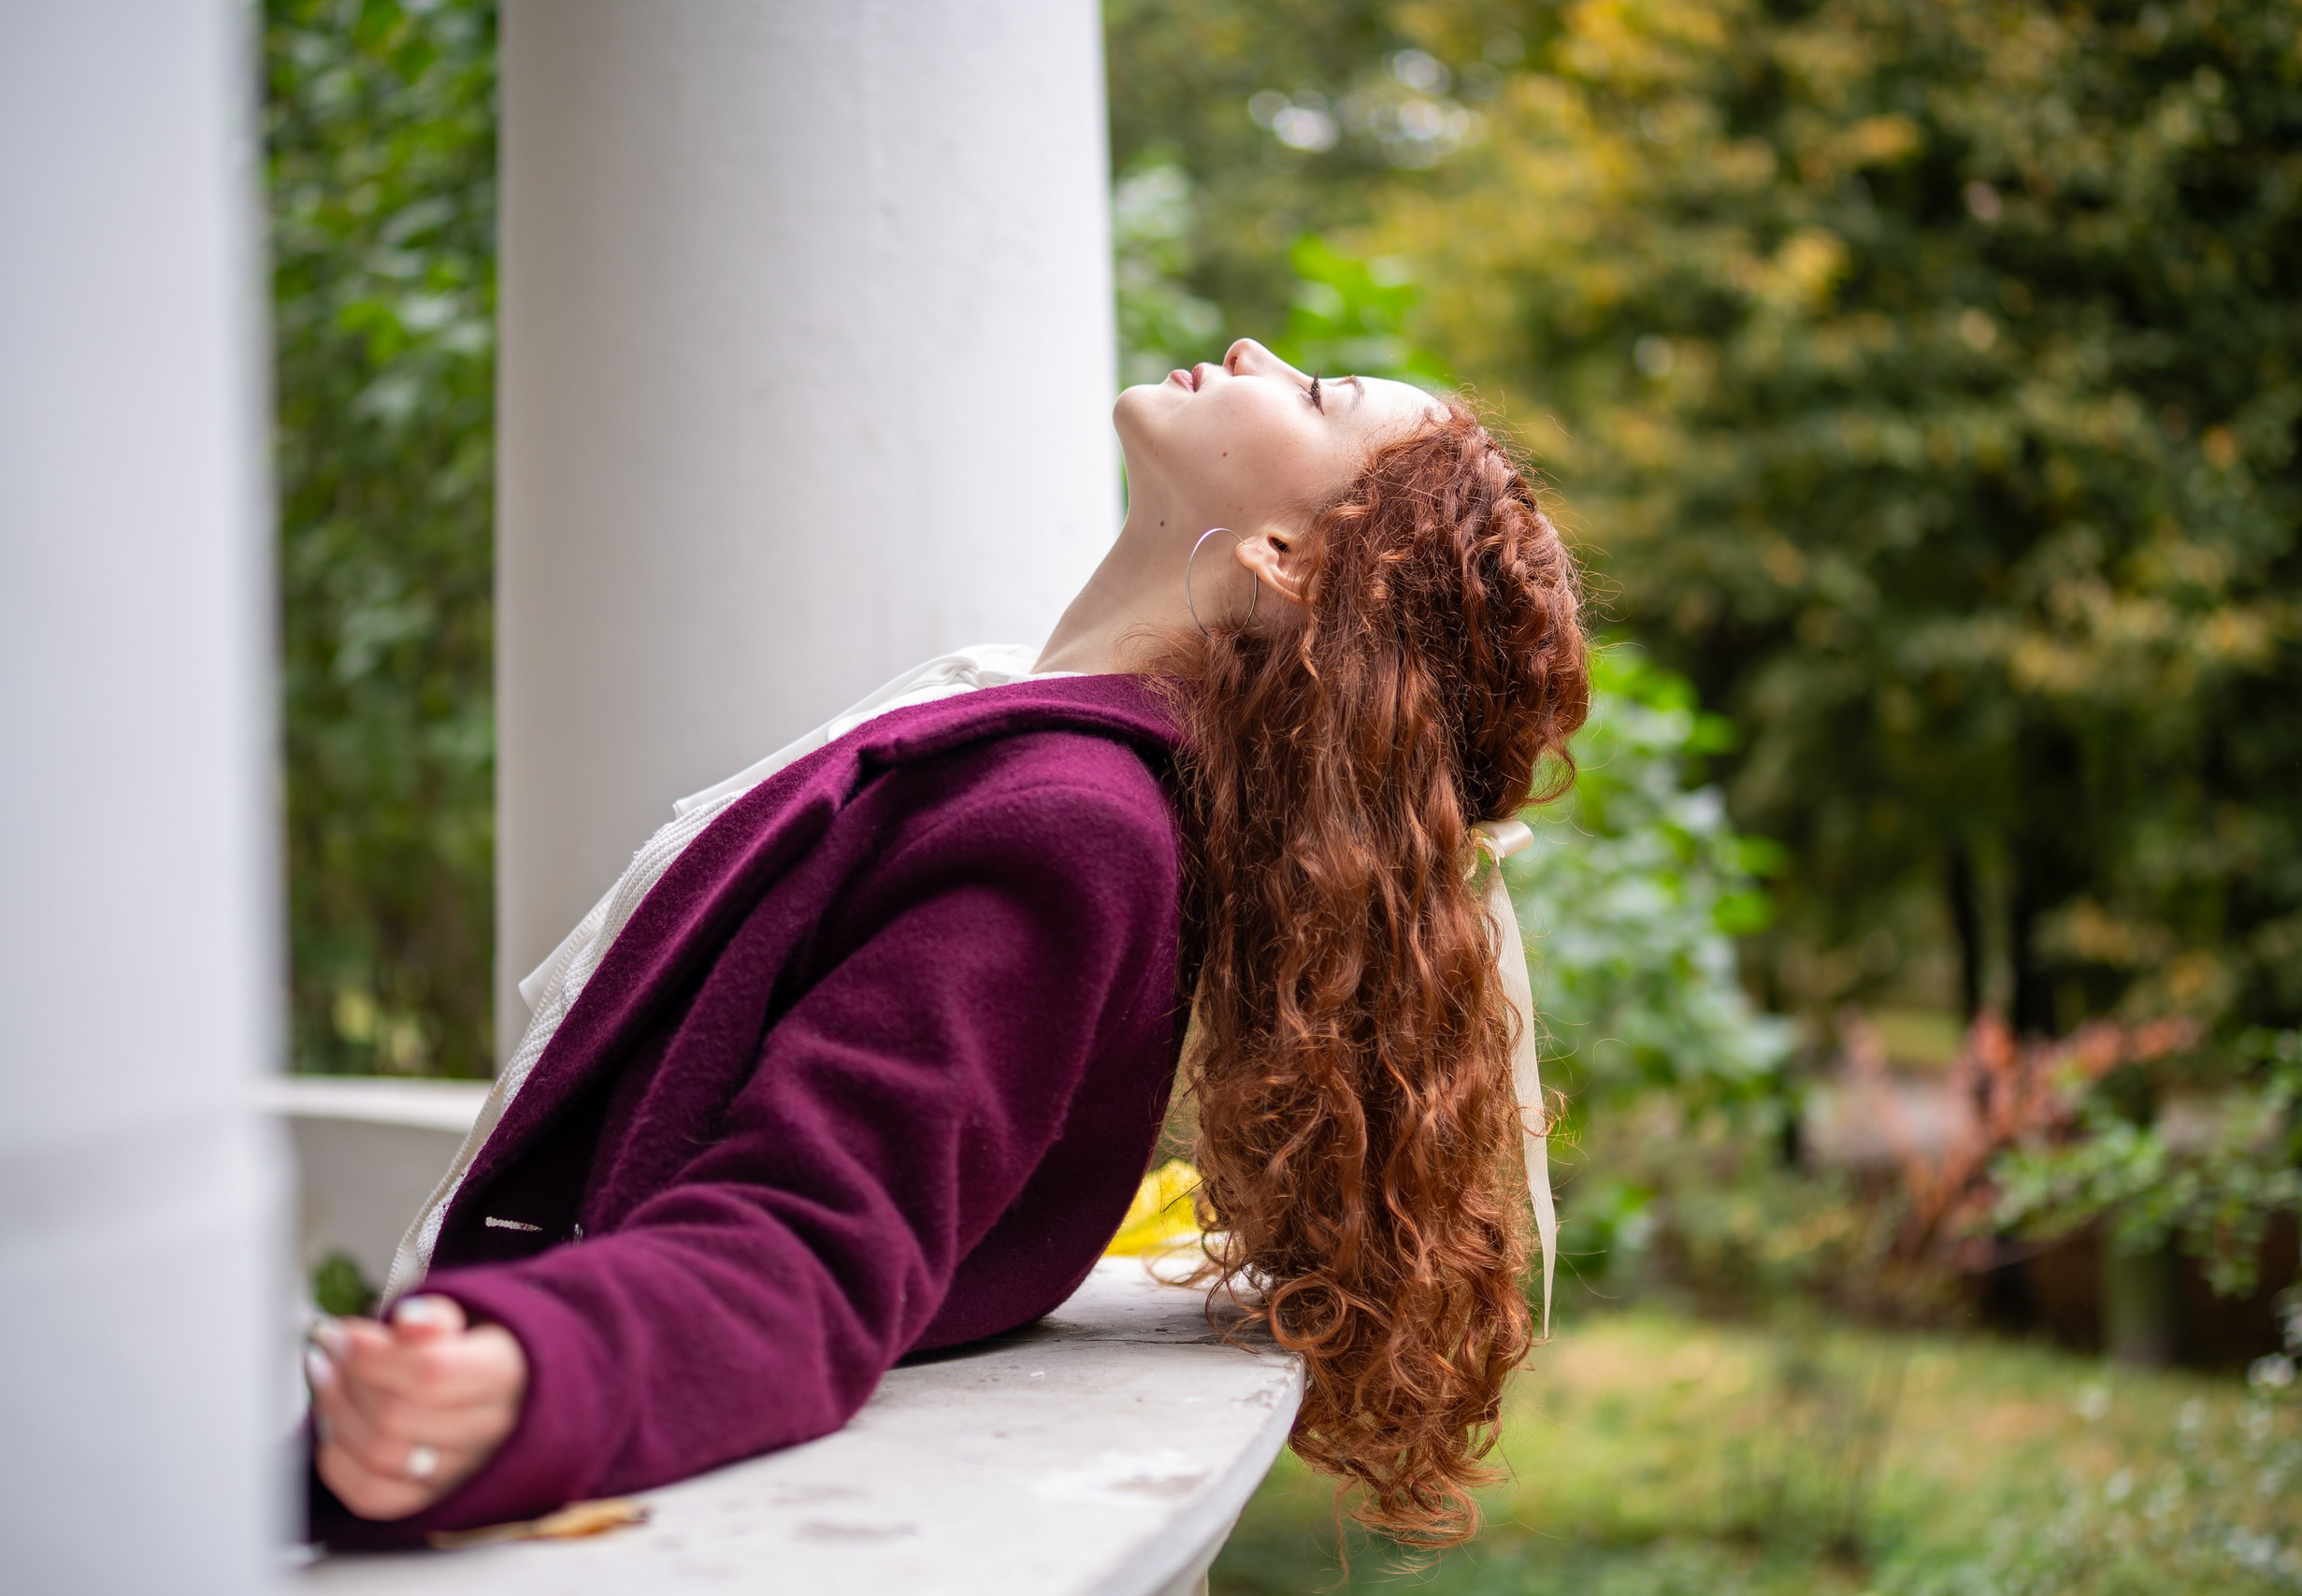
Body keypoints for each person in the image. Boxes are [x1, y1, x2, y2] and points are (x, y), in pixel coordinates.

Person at [306, 338, 1590, 1549]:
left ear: (1285, 556)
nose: (1259, 358)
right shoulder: (1026, 735)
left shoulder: (1074, 828)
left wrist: (535, 1375)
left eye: (1317, 397)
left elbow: (813, 1243)